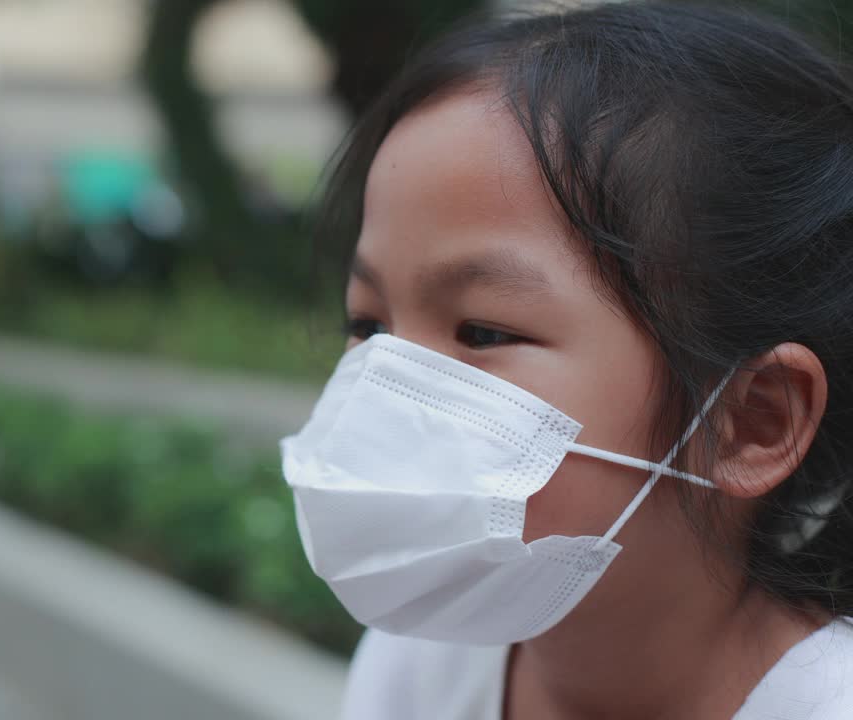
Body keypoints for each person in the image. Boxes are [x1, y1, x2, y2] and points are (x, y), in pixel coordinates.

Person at [279, 2, 853, 718]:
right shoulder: (418, 666)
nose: (385, 389)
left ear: (753, 421)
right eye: (368, 323)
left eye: (482, 332)